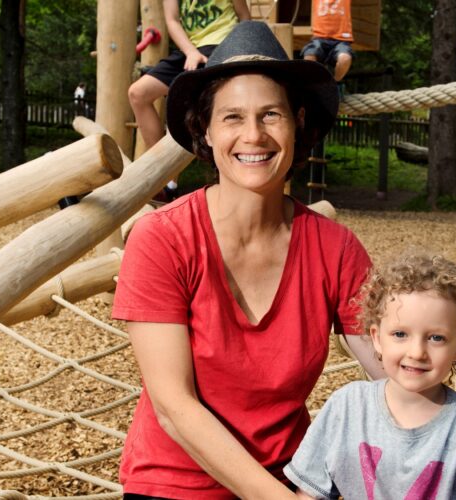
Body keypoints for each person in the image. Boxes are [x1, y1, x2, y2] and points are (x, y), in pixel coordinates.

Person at [112, 21, 383, 499]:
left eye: (271, 115)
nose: (253, 135)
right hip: (177, 484)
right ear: (207, 131)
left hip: (297, 478)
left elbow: (392, 368)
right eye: (232, 117)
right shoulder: (162, 237)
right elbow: (174, 406)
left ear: (298, 123)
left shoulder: (336, 249)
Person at [284, 252, 456, 499]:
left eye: (436, 338)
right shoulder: (346, 408)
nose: (417, 352)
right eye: (400, 334)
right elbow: (308, 493)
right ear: (377, 338)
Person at [128, 0, 251, 200]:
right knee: (138, 93)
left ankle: (230, 183)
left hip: (225, 46)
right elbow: (173, 20)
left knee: (211, 112)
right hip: (191, 50)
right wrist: (191, 51)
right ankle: (166, 180)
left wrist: (238, 51)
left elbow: (244, 17)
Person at [302, 0, 354, 82]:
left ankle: (335, 83)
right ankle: (314, 86)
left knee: (344, 59)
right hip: (319, 37)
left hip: (341, 39)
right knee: (309, 56)